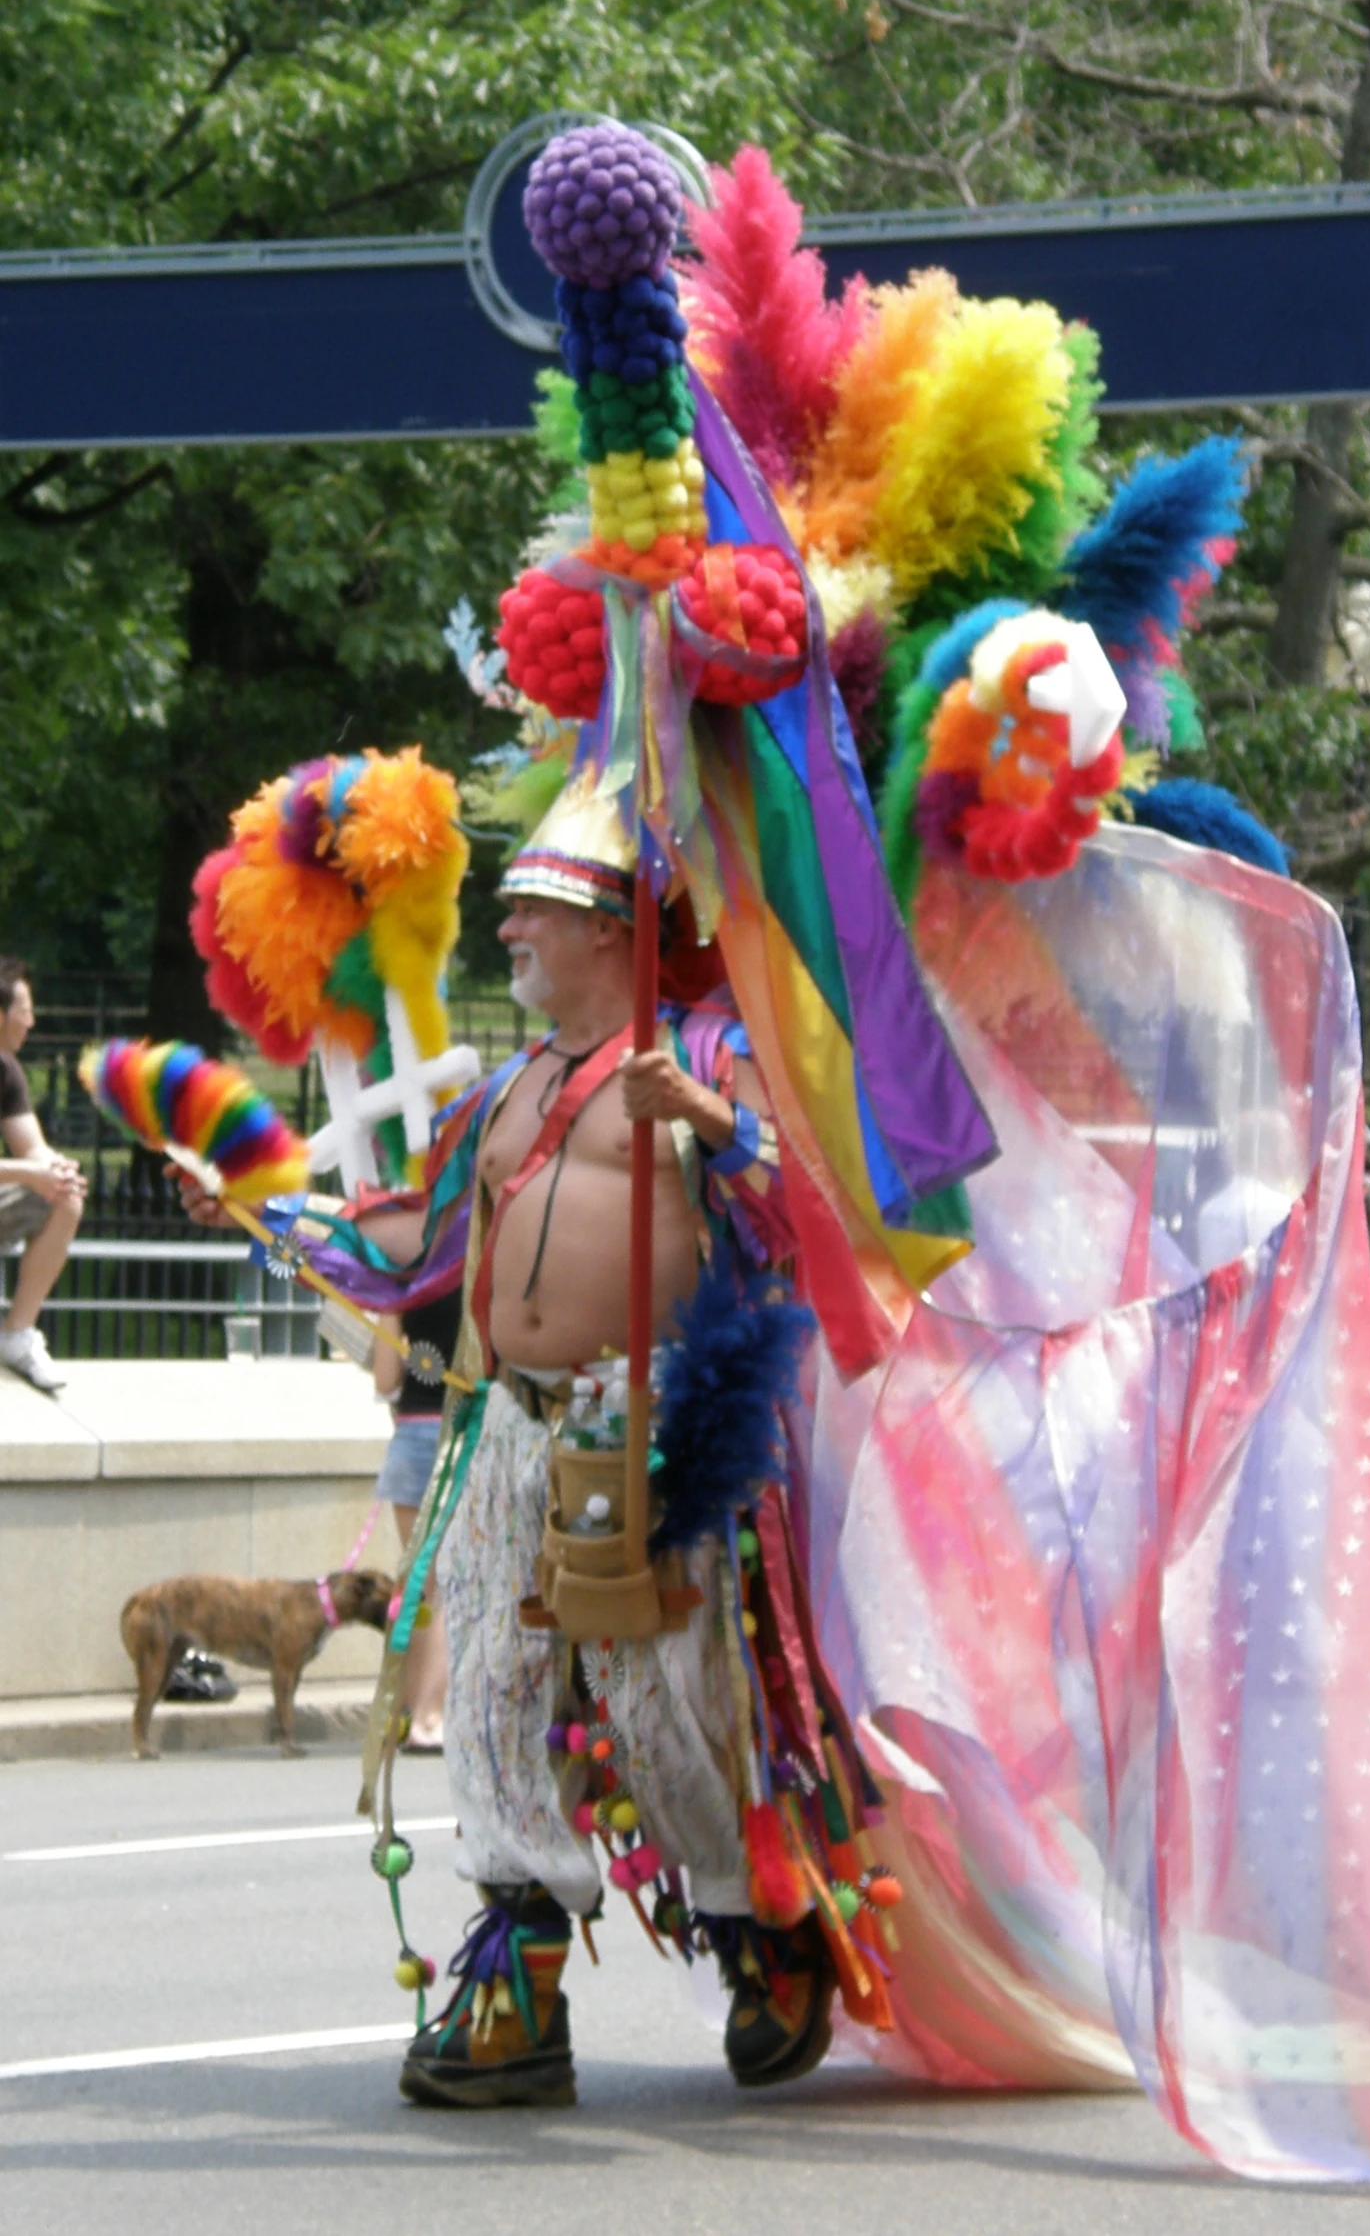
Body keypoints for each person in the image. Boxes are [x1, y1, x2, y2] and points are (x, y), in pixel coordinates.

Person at [181, 777, 841, 2107]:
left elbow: (814, 1207)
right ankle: (518, 1977)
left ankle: (759, 1921)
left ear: (614, 927)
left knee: (664, 1708)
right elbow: (415, 1244)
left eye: (530, 908)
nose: (506, 935)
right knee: (484, 1693)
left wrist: (709, 1128)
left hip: (644, 1426)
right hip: (507, 1427)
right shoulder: (500, 1091)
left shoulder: (706, 1054)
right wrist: (267, 1212)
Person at [370, 1285, 460, 1753]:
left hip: (412, 1434)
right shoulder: (482, 1266)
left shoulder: (404, 1278)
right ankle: (431, 1715)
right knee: (450, 1585)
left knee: (419, 1582)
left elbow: (386, 1380)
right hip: (465, 1432)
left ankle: (404, 1713)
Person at [0, 958, 86, 1393]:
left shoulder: (7, 1070)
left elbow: (33, 1149)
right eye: (25, 1011)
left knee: (64, 1195)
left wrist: (56, 1170)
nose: (31, 1022)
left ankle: (16, 1336)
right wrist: (29, 1171)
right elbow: (23, 1166)